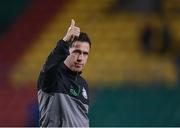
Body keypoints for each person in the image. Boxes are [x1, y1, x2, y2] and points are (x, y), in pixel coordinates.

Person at [37, 19, 91, 127]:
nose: (81, 58)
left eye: (85, 54)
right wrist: (65, 41)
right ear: (67, 51)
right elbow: (48, 68)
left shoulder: (83, 84)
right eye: (76, 52)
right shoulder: (54, 76)